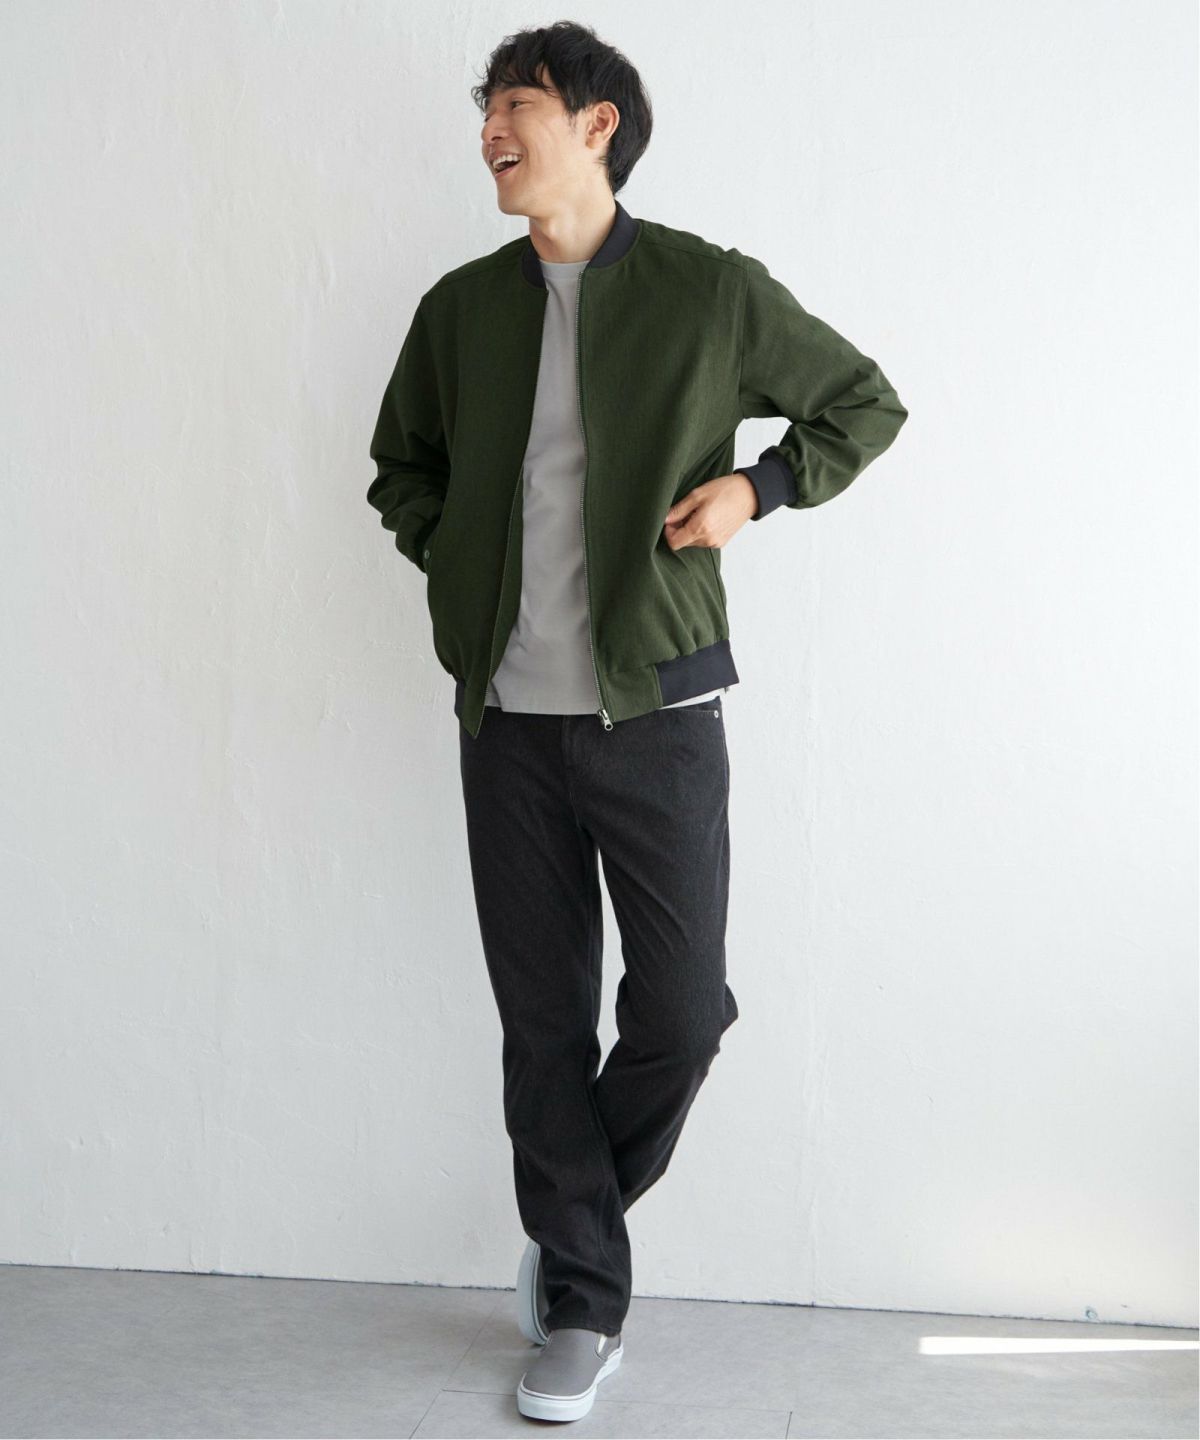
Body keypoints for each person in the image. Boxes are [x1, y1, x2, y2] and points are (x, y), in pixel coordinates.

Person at [367, 21, 908, 1423]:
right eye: (487, 108)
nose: (491, 129)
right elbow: (400, 471)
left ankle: (572, 1227)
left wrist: (757, 491)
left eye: (518, 104)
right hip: (504, 726)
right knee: (541, 1022)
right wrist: (459, 564)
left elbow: (863, 403)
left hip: (658, 715)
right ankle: (586, 1306)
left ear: (596, 125)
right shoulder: (459, 312)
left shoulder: (707, 292)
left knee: (682, 1009)